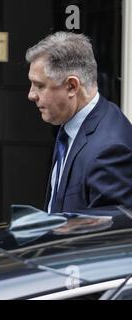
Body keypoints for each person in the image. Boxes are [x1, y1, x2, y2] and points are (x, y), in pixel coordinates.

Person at [26, 31, 132, 214]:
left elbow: (108, 238)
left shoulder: (109, 151)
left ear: (72, 86)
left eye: (40, 85)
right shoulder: (73, 122)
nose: (31, 95)